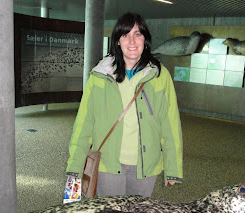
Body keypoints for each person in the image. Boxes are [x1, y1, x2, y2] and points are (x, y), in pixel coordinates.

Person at [66, 12, 183, 197]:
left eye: (138, 34)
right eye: (125, 35)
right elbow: (84, 123)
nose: (132, 41)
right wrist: (75, 167)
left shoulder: (159, 75)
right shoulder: (99, 75)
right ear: (117, 41)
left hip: (145, 166)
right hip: (108, 165)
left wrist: (173, 167)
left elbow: (170, 124)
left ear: (145, 40)